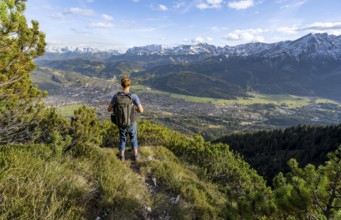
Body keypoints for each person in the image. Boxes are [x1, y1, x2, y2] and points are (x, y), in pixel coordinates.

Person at [107, 76, 144, 161]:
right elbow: (141, 110)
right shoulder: (133, 96)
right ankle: (136, 156)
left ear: (121, 85)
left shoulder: (116, 96)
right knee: (133, 138)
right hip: (131, 122)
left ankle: (121, 157)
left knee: (122, 139)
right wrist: (134, 108)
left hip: (120, 122)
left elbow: (109, 109)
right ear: (129, 85)